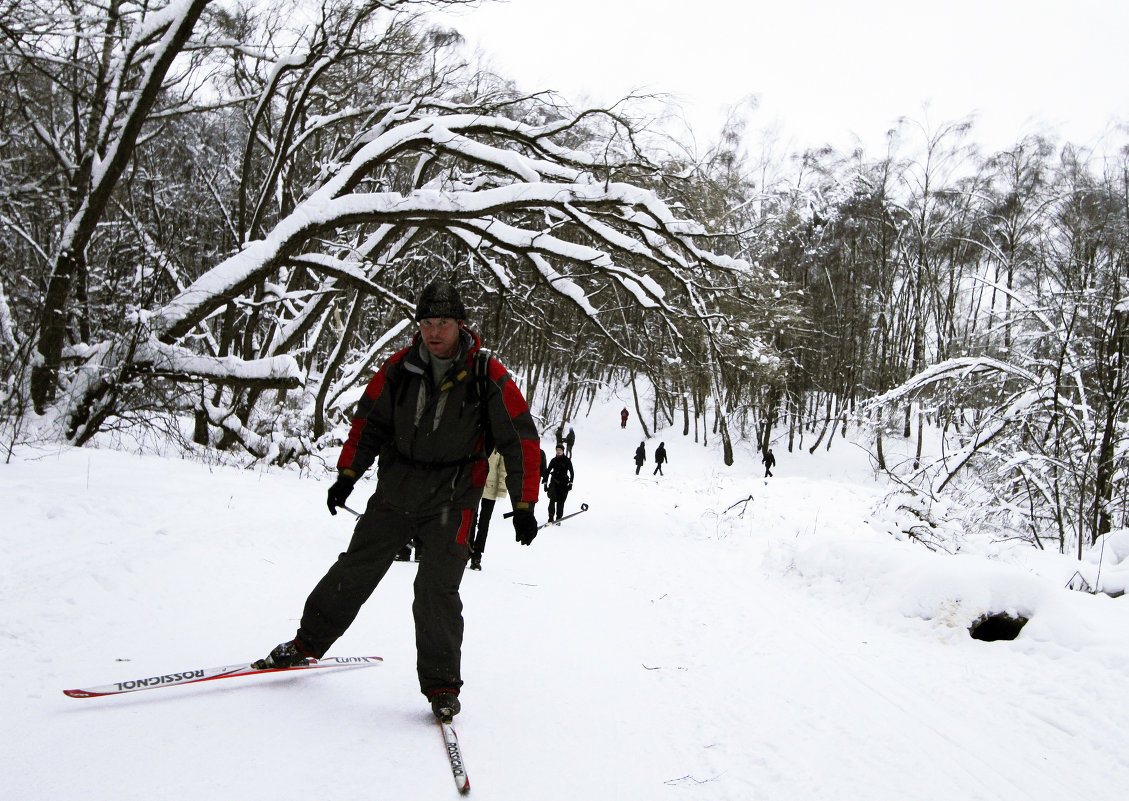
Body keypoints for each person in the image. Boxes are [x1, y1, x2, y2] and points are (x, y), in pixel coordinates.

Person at [251, 280, 541, 722]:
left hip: (454, 497)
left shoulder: (487, 374)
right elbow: (368, 423)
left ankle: (442, 686)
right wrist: (347, 475)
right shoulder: (399, 368)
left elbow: (520, 438)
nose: (433, 331)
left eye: (442, 322)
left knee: (435, 590)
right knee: (355, 569)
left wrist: (524, 504)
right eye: (426, 322)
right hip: (395, 491)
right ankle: (305, 644)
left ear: (460, 324)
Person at [468, 450, 506, 570]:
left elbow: (503, 468)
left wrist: (501, 489)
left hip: (491, 488)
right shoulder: (480, 440)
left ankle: (477, 555)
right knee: (471, 520)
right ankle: (467, 550)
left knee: (484, 523)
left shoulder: (499, 446)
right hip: (475, 485)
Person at [544, 444, 575, 522]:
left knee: (561, 502)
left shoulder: (567, 460)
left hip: (563, 484)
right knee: (552, 501)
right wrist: (545, 483)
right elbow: (547, 472)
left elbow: (572, 472)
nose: (558, 451)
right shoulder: (553, 460)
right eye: (557, 450)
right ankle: (550, 518)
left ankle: (558, 518)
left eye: (560, 450)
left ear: (563, 451)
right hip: (554, 483)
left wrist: (571, 483)